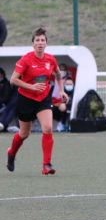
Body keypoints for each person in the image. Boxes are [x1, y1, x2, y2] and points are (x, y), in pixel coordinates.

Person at [5, 27, 69, 175]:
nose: (40, 43)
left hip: (43, 98)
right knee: (24, 134)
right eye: (37, 40)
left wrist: (61, 90)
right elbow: (13, 80)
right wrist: (31, 87)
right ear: (33, 44)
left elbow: (58, 76)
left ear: (46, 43)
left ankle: (46, 165)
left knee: (47, 128)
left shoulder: (51, 59)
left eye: (43, 40)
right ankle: (11, 152)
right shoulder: (26, 60)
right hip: (25, 100)